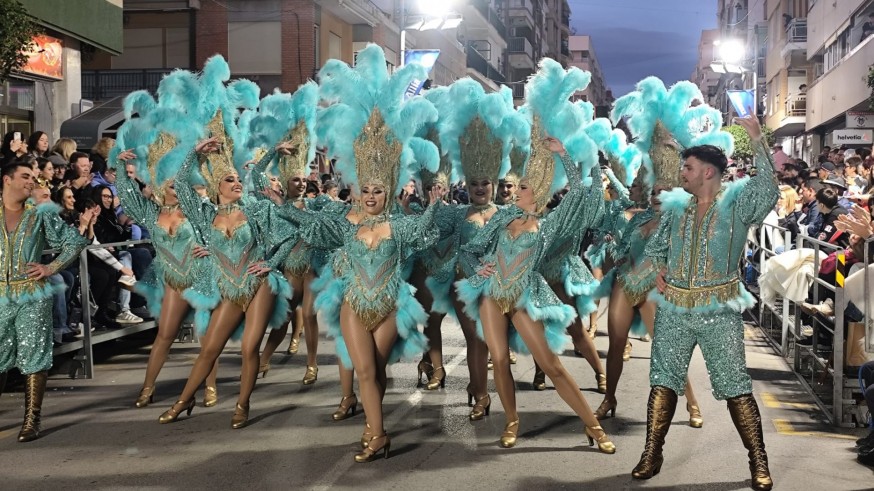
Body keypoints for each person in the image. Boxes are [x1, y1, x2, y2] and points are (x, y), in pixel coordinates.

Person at [456, 60, 614, 454]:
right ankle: (511, 421)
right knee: (499, 360)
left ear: (538, 196)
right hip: (493, 294)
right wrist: (482, 266)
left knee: (551, 364)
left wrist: (565, 157)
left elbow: (579, 196)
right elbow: (470, 248)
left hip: (525, 295)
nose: (516, 190)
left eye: (522, 187)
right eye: (517, 185)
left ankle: (592, 426)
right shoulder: (504, 217)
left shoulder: (548, 227)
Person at [302, 44, 443, 462]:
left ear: (389, 190)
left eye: (379, 190)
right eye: (366, 189)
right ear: (358, 188)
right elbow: (308, 227)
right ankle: (377, 434)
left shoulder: (399, 224)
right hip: (353, 303)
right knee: (363, 370)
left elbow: (423, 232)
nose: (371, 196)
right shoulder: (344, 221)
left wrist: (433, 204)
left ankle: (372, 427)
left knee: (376, 371)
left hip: (389, 305)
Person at [632, 115, 778, 490]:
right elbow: (657, 248)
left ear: (709, 173)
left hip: (719, 309)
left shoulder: (738, 205)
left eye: (689, 167)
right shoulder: (677, 207)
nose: (682, 172)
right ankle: (652, 452)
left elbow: (768, 189)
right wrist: (659, 269)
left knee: (734, 386)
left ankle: (758, 459)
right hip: (674, 309)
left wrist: (758, 140)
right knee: (663, 382)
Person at [157, 56, 292, 429]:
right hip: (229, 287)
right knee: (209, 348)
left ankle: (242, 404)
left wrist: (272, 262)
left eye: (237, 179)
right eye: (228, 180)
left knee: (249, 348)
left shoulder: (256, 209)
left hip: (258, 283)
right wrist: (193, 156)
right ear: (218, 187)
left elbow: (287, 234)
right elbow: (182, 188)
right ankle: (185, 401)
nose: (235, 182)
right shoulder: (204, 215)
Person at [0, 159, 89, 442]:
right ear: (6, 179)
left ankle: (31, 420)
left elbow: (74, 242)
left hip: (32, 294)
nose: (32, 182)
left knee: (34, 356)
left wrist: (51, 268)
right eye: (26, 176)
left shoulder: (40, 213)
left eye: (35, 177)